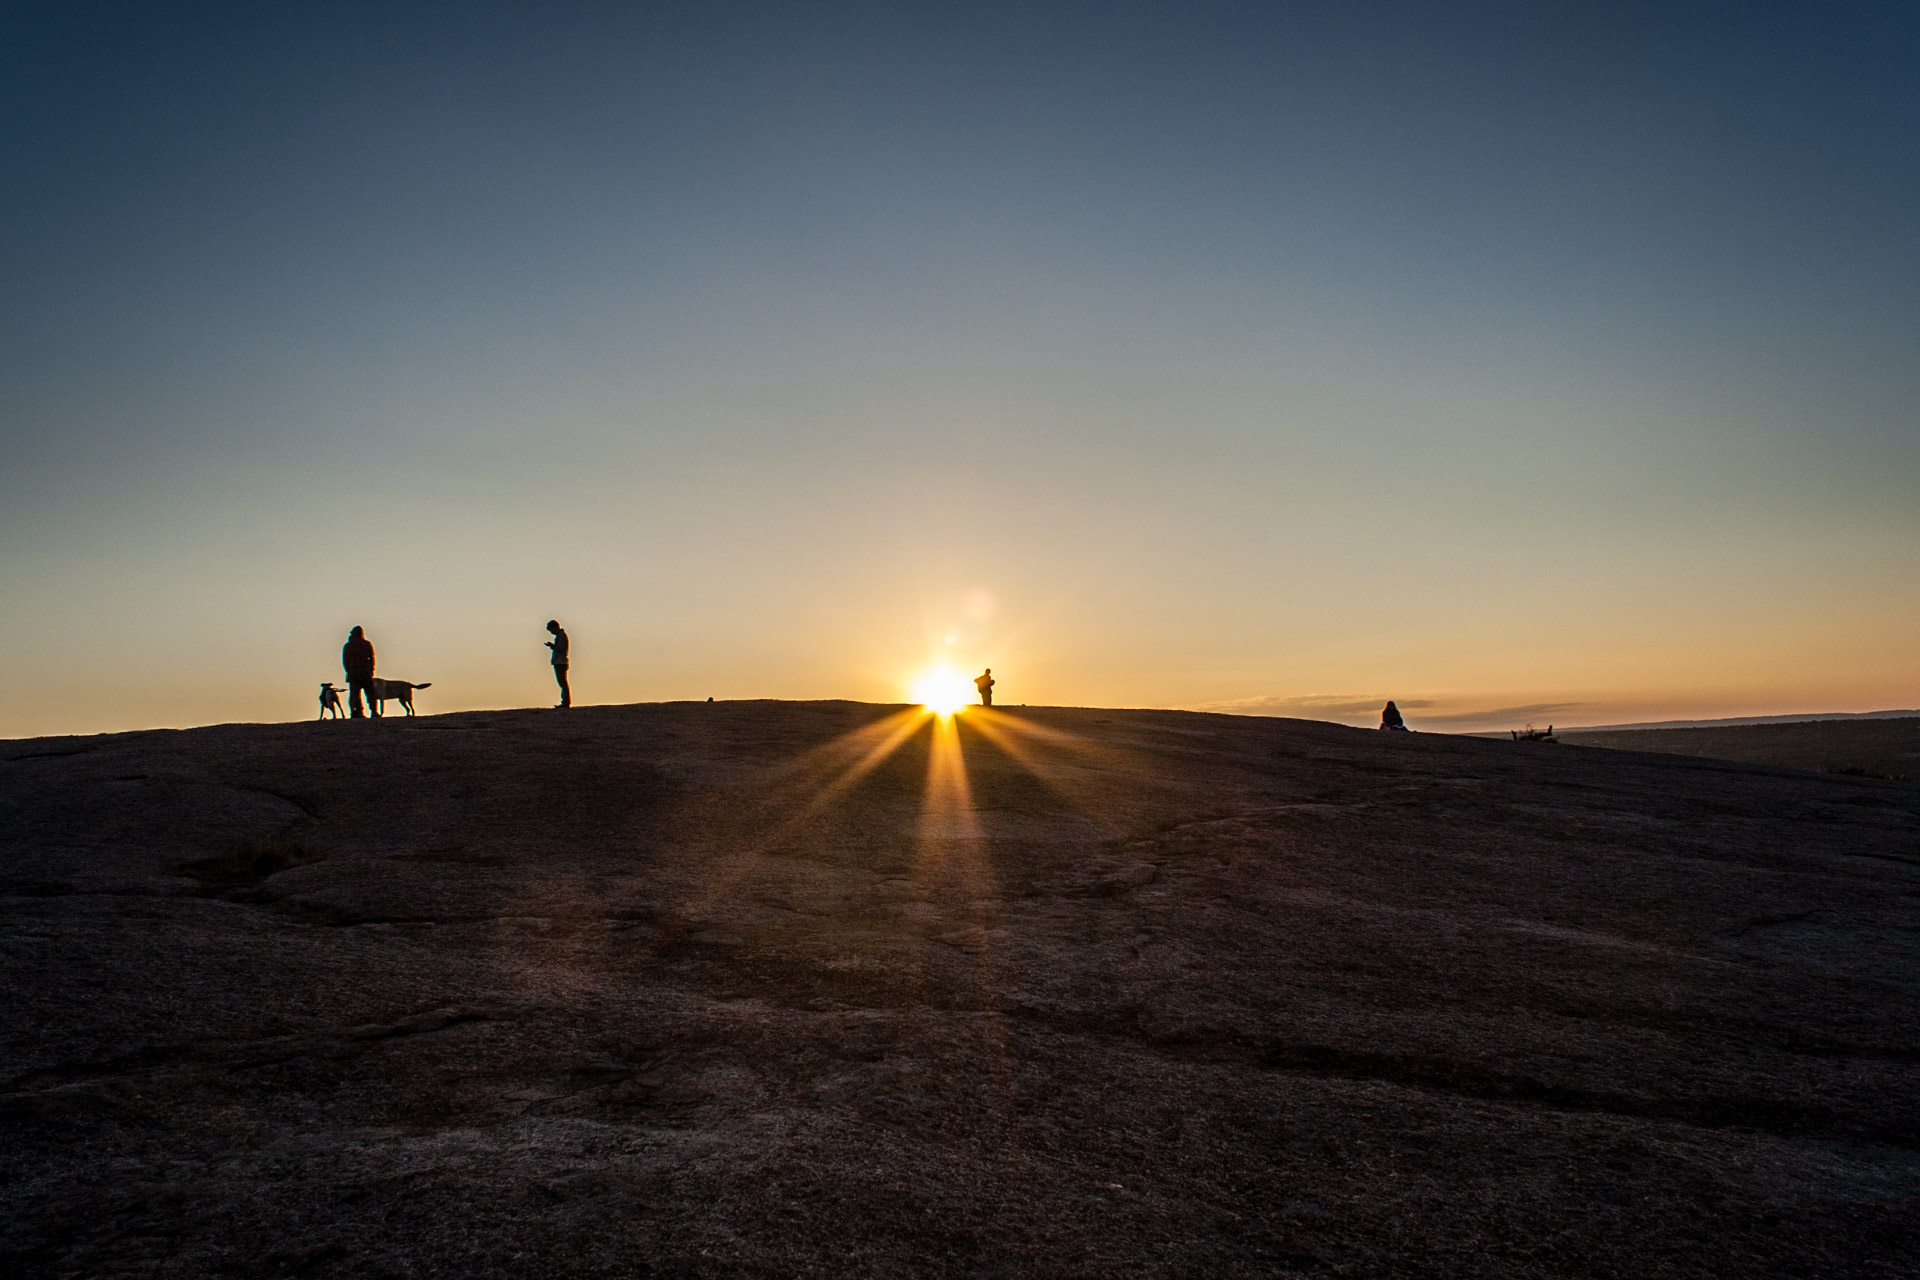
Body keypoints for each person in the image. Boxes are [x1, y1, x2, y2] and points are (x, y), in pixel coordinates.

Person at [342, 626, 377, 718]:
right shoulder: (366, 644)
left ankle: (358, 712)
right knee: (370, 693)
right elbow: (372, 658)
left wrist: (348, 671)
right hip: (365, 671)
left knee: (355, 694)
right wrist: (371, 670)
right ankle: (373, 711)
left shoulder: (348, 646)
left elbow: (345, 661)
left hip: (353, 672)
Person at [545, 620, 570, 709]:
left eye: (551, 630)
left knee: (563, 683)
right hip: (559, 662)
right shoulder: (560, 636)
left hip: (561, 662)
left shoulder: (562, 636)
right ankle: (565, 701)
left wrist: (552, 646)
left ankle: (566, 702)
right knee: (562, 683)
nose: (551, 632)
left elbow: (561, 648)